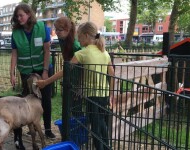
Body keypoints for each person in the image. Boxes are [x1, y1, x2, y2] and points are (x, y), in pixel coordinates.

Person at [37, 22, 114, 150]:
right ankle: (108, 147)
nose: (78, 39)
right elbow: (111, 74)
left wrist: (45, 82)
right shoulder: (104, 52)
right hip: (104, 95)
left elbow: (65, 71)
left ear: (86, 35)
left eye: (79, 35)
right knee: (101, 124)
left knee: (95, 128)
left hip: (92, 97)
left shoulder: (82, 53)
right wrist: (111, 94)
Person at [9, 3, 55, 139]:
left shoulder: (42, 28)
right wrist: (11, 73)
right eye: (17, 16)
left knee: (45, 100)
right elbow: (14, 54)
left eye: (21, 15)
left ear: (29, 14)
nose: (19, 18)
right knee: (29, 101)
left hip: (43, 69)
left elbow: (47, 50)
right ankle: (33, 128)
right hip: (26, 72)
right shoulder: (16, 33)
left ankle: (47, 129)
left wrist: (45, 71)